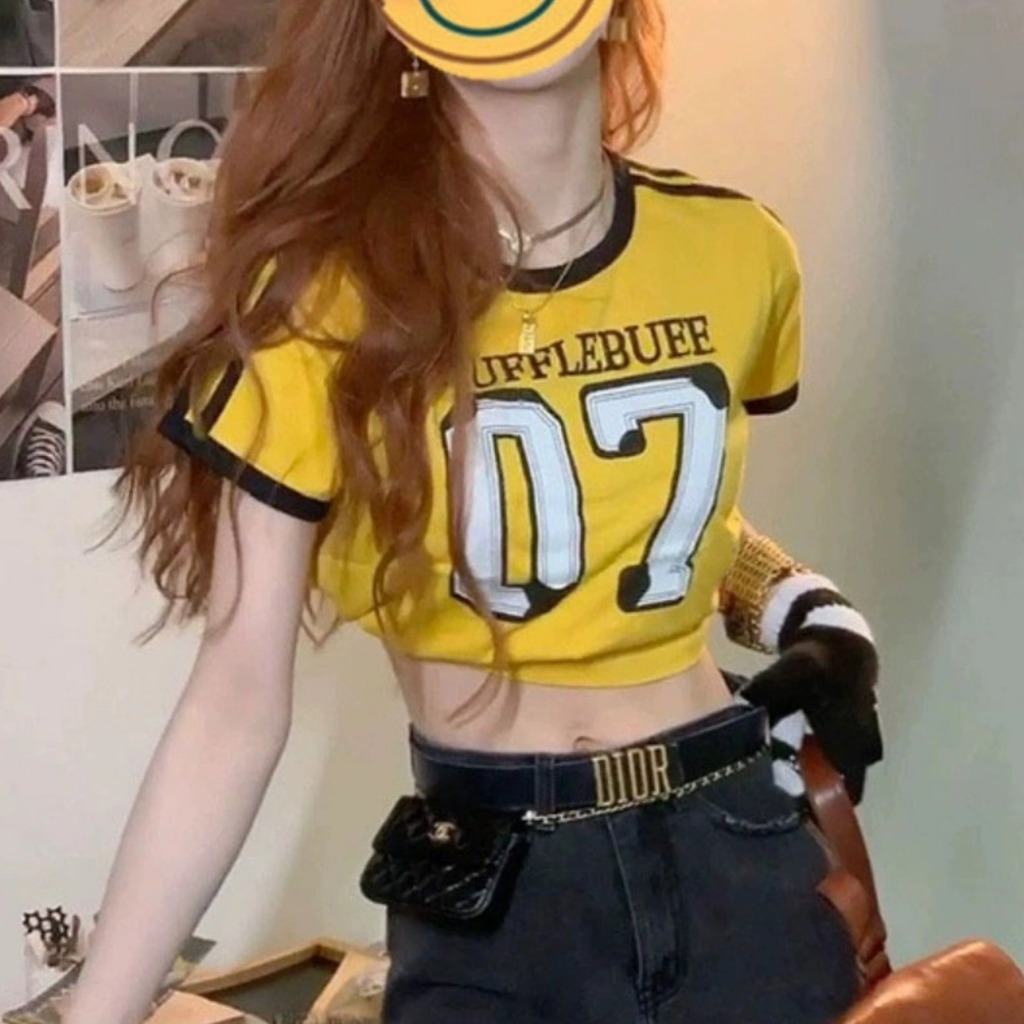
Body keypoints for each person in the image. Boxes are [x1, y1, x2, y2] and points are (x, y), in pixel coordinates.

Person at [63, 2, 883, 1022]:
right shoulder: (322, 301)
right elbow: (234, 701)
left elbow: (648, 515)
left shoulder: (736, 248)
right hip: (496, 881)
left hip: (735, 839)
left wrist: (814, 611)